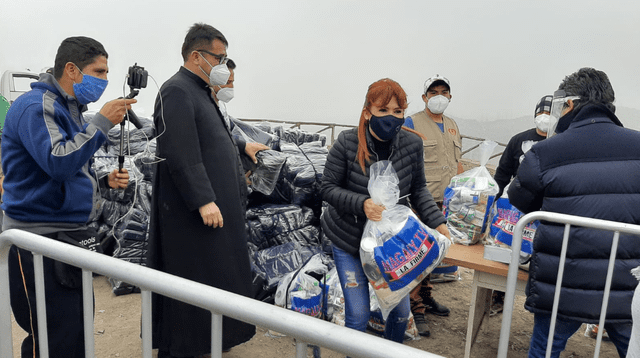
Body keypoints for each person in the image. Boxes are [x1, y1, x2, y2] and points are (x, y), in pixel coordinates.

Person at [2, 36, 134, 357]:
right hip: (38, 241)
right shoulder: (36, 107)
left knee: (75, 332)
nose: (105, 79)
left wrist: (102, 180)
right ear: (72, 70)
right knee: (50, 339)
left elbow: (68, 168)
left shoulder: (68, 109)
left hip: (69, 238)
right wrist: (102, 122)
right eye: (99, 71)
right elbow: (57, 160)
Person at [148, 23, 263, 358]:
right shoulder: (177, 91)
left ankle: (213, 339)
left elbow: (213, 140)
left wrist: (242, 148)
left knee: (218, 276)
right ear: (196, 56)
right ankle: (186, 347)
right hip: (195, 214)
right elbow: (180, 150)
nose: (224, 66)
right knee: (193, 280)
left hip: (217, 210)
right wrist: (204, 200)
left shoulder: (199, 91)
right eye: (220, 58)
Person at [508, 67, 640, 358]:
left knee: (545, 349)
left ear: (569, 104)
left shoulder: (545, 152)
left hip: (562, 284)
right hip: (627, 285)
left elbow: (520, 198)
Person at [320, 78, 451, 348]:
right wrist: (362, 203)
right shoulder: (346, 143)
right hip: (350, 240)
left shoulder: (412, 144)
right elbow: (327, 188)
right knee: (357, 315)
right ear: (367, 112)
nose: (391, 118)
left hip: (391, 244)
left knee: (400, 313)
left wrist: (439, 223)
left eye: (398, 111)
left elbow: (419, 190)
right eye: (383, 111)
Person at [403, 74, 462, 336]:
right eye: (433, 92)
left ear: (449, 96)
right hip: (421, 200)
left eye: (444, 92)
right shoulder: (412, 122)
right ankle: (415, 307)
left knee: (435, 254)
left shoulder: (452, 125)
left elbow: (457, 162)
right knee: (417, 252)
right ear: (425, 96)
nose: (439, 96)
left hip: (445, 201)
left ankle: (426, 296)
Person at [489, 94, 552, 315]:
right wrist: (494, 201)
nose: (545, 117)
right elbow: (503, 173)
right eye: (541, 112)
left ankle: (537, 300)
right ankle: (498, 296)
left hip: (548, 210)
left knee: (540, 254)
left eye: (550, 113)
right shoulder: (519, 140)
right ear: (535, 115)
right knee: (508, 250)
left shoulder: (560, 141)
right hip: (515, 208)